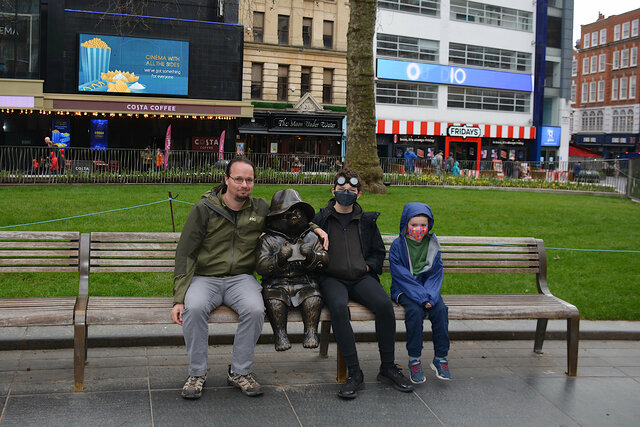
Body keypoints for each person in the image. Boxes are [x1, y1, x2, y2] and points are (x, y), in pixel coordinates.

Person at [171, 157, 329, 399]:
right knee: (194, 308)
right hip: (207, 277)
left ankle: (240, 371)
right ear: (226, 180)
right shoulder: (204, 209)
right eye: (238, 179)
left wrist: (315, 227)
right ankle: (196, 373)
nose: (244, 185)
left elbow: (289, 217)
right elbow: (185, 252)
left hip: (241, 279)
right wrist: (179, 298)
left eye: (249, 180)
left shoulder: (260, 208)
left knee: (256, 310)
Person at [313, 168, 413, 399]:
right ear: (333, 190)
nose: (345, 193)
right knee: (338, 308)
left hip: (361, 277)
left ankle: (387, 366)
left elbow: (378, 252)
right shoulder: (322, 218)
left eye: (351, 190)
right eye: (341, 190)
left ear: (359, 194)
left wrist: (367, 267)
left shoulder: (366, 221)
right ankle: (355, 373)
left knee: (385, 306)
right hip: (332, 278)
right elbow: (298, 226)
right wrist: (315, 228)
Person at [389, 203, 451, 384]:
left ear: (429, 225)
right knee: (415, 313)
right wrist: (422, 298)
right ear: (405, 224)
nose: (418, 229)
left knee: (440, 311)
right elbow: (400, 275)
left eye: (423, 225)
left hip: (428, 290)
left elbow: (435, 273)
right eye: (414, 225)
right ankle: (414, 358)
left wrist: (430, 296)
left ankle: (440, 357)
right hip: (405, 289)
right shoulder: (398, 246)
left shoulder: (432, 244)